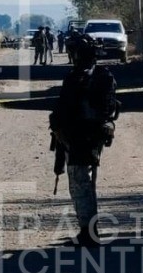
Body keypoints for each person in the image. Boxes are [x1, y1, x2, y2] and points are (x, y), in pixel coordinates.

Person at [49, 34, 119, 246]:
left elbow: (67, 109)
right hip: (89, 136)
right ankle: (89, 230)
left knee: (80, 184)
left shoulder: (80, 78)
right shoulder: (102, 76)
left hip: (80, 137)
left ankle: (89, 233)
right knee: (86, 183)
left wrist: (60, 128)